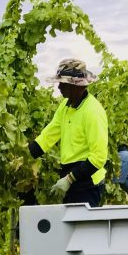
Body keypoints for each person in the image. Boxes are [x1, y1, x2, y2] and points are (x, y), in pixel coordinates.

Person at [28, 59, 108, 206]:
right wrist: (25, 157)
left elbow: (98, 158)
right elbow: (48, 136)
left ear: (76, 86)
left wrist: (70, 179)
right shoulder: (65, 107)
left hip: (87, 180)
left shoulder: (93, 112)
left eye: (63, 83)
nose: (59, 87)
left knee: (82, 228)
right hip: (70, 175)